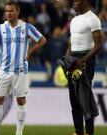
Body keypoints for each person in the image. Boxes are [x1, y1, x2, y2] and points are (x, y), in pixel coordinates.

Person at [0, 1, 46, 135]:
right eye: (6, 11)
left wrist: (30, 51)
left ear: (18, 11)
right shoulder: (0, 28)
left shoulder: (27, 27)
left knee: (21, 100)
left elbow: (42, 40)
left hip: (20, 71)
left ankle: (19, 132)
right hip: (4, 71)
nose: (8, 13)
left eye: (11, 11)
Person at [66, 0, 102, 135]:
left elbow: (98, 44)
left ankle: (89, 132)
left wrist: (83, 60)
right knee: (74, 99)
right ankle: (78, 132)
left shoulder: (93, 19)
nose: (74, 3)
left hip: (86, 60)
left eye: (77, 1)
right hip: (73, 60)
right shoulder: (74, 20)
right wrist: (67, 59)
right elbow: (71, 42)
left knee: (84, 99)